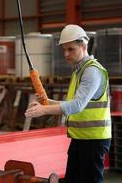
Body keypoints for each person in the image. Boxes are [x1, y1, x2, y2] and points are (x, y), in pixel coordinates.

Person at [25, 24, 111, 183]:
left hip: (93, 141)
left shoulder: (91, 71)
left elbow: (77, 105)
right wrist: (47, 102)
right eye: (64, 49)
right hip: (80, 139)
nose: (66, 54)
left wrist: (45, 110)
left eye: (70, 49)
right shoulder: (79, 71)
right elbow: (73, 103)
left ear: (83, 46)